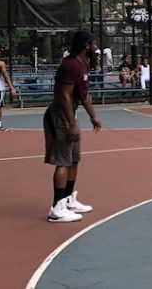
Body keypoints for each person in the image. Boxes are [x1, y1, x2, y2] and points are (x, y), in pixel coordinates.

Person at [44, 30, 102, 223]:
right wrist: (71, 124)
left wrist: (93, 116)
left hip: (70, 116)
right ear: (86, 45)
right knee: (63, 161)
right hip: (61, 116)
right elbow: (64, 96)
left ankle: (68, 200)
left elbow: (84, 95)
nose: (96, 47)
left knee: (74, 159)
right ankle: (56, 208)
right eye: (94, 44)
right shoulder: (70, 65)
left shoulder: (82, 65)